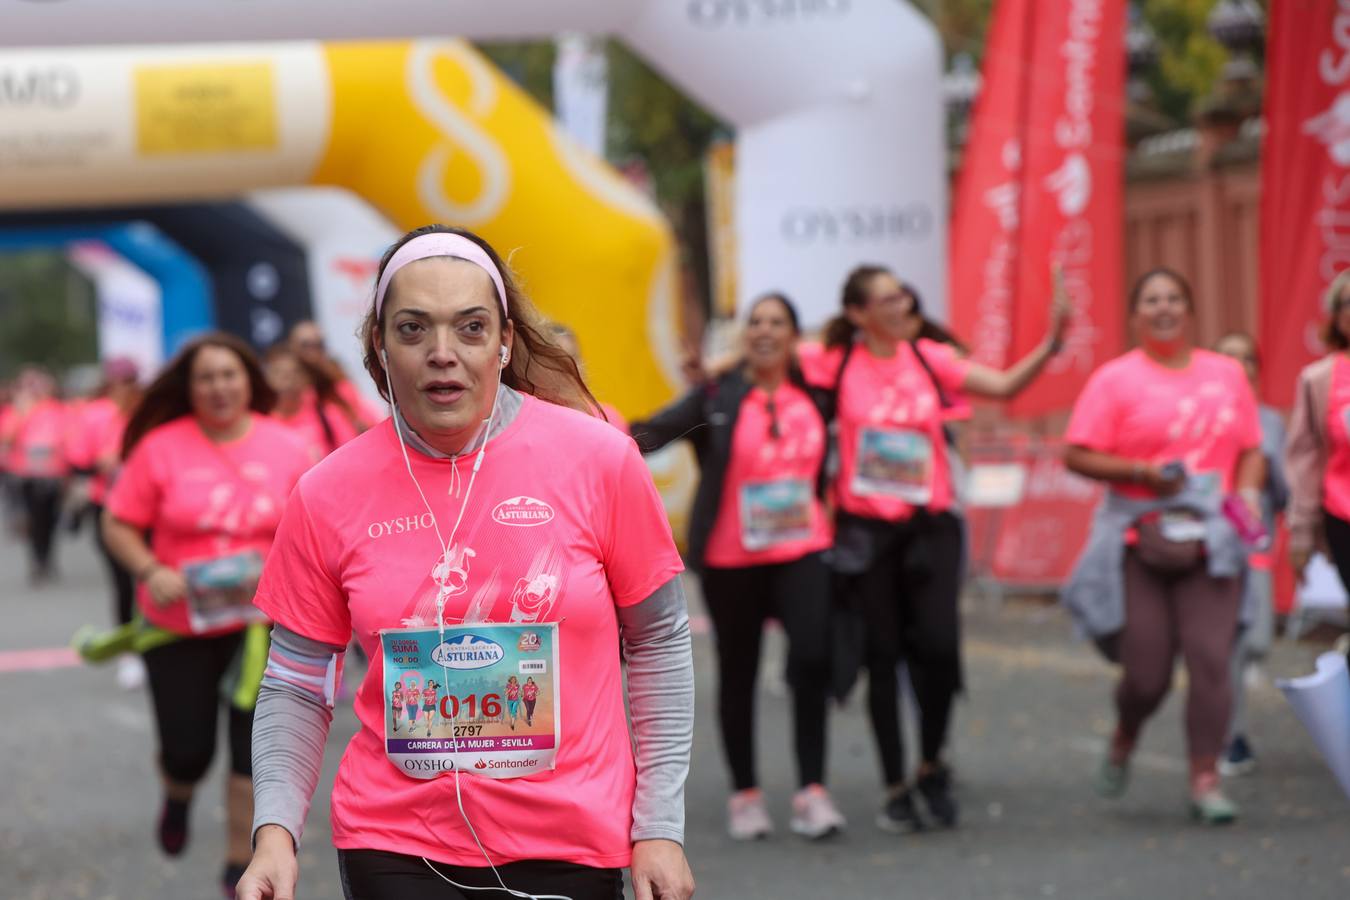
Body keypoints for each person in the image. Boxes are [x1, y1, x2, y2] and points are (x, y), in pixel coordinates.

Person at [237, 225, 696, 900]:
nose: (443, 354)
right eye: (414, 329)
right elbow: (297, 681)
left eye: (471, 328)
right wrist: (274, 833)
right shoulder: (326, 491)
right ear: (379, 346)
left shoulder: (600, 460)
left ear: (505, 343)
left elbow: (658, 639)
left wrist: (659, 825)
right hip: (393, 843)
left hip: (571, 836)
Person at [797, 265, 1069, 834]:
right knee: (883, 657)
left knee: (941, 649)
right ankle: (895, 784)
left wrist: (1051, 343)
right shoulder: (836, 361)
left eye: (902, 295)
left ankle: (931, 763)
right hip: (868, 535)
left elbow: (1003, 385)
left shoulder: (928, 357)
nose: (903, 305)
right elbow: (767, 360)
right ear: (858, 314)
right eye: (889, 299)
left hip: (931, 527)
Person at [100, 333, 312, 896]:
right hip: (178, 625)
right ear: (189, 388)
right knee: (189, 749)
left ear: (250, 381)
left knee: (252, 752)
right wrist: (150, 570)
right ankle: (178, 792)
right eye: (206, 378)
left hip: (261, 629)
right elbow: (117, 523)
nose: (219, 388)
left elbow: (314, 529)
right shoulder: (161, 447)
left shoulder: (288, 447)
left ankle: (238, 863)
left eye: (230, 375)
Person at [632, 292, 844, 841]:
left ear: (795, 335)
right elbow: (649, 434)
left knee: (813, 661)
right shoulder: (717, 393)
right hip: (732, 559)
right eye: (756, 322)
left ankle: (812, 792)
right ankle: (745, 794)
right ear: (744, 334)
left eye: (778, 322)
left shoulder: (817, 393)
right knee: (740, 673)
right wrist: (581, 426)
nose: (765, 331)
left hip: (804, 550)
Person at [1062, 268, 1264, 825]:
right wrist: (1139, 472)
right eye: (1151, 300)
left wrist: (1245, 494)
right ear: (1136, 315)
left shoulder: (1225, 374)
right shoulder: (1114, 380)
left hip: (1213, 540)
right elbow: (1076, 454)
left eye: (1174, 297)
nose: (1164, 308)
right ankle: (1127, 733)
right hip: (1139, 539)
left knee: (1210, 658)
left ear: (1190, 310)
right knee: (1147, 672)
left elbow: (1251, 447)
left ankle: (1206, 777)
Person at [1212, 333, 1288, 776]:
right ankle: (1230, 736)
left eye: (1247, 359)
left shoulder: (1269, 420)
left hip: (1253, 542)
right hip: (1209, 544)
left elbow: (1281, 487)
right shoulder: (1198, 415)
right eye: (1228, 358)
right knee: (1226, 648)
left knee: (1255, 640)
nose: (1239, 366)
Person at [69, 357, 145, 688]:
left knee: (148, 580)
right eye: (119, 380)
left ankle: (152, 646)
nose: (125, 386)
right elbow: (78, 462)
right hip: (109, 509)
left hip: (149, 510)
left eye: (130, 379)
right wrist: (101, 464)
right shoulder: (95, 414)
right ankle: (130, 655)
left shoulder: (148, 413)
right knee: (122, 582)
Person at [1287, 269, 1350, 649]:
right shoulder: (1319, 378)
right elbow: (1305, 458)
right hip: (1343, 516)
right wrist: (1301, 531)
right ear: (1337, 316)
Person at [0, 367, 70, 584]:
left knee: (50, 518)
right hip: (26, 474)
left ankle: (47, 556)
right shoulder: (16, 411)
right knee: (33, 518)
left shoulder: (57, 410)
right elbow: (7, 439)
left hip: (54, 472)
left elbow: (70, 438)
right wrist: (22, 414)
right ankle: (38, 560)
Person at [262, 344, 364, 462]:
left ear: (306, 378)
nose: (287, 379)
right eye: (278, 372)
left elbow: (351, 454)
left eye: (294, 372)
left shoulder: (327, 412)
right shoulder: (260, 423)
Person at [288, 319, 385, 429]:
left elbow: (366, 417)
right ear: (292, 347)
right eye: (306, 345)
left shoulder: (336, 380)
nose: (314, 350)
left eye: (319, 344)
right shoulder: (287, 387)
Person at [549, 322, 629, 433]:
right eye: (558, 361)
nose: (570, 368)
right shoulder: (539, 424)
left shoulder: (609, 416)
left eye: (574, 357)